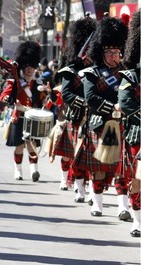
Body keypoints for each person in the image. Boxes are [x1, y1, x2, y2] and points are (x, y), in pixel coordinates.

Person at [81, 14, 128, 217]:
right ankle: (97, 202)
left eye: (117, 51)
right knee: (100, 167)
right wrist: (112, 108)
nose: (114, 56)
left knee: (123, 168)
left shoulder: (128, 73)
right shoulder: (92, 73)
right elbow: (90, 98)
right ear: (102, 53)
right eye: (109, 52)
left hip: (124, 124)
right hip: (102, 123)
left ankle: (123, 206)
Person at [53, 15, 97, 198]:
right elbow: (67, 94)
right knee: (74, 154)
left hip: (94, 117)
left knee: (91, 156)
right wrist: (84, 103)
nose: (87, 57)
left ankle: (91, 189)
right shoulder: (70, 70)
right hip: (75, 116)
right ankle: (79, 189)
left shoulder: (97, 70)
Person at [0, 41, 55, 182]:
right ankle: (18, 171)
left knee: (32, 146)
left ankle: (34, 171)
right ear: (23, 68)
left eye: (32, 67)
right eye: (27, 67)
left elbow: (43, 101)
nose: (30, 70)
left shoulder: (37, 83)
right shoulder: (17, 82)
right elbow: (4, 95)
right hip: (19, 116)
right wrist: (9, 99)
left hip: (32, 117)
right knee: (19, 146)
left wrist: (48, 94)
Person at [118, 10, 140, 237]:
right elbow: (125, 103)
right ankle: (137, 220)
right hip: (139, 134)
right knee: (138, 179)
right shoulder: (131, 76)